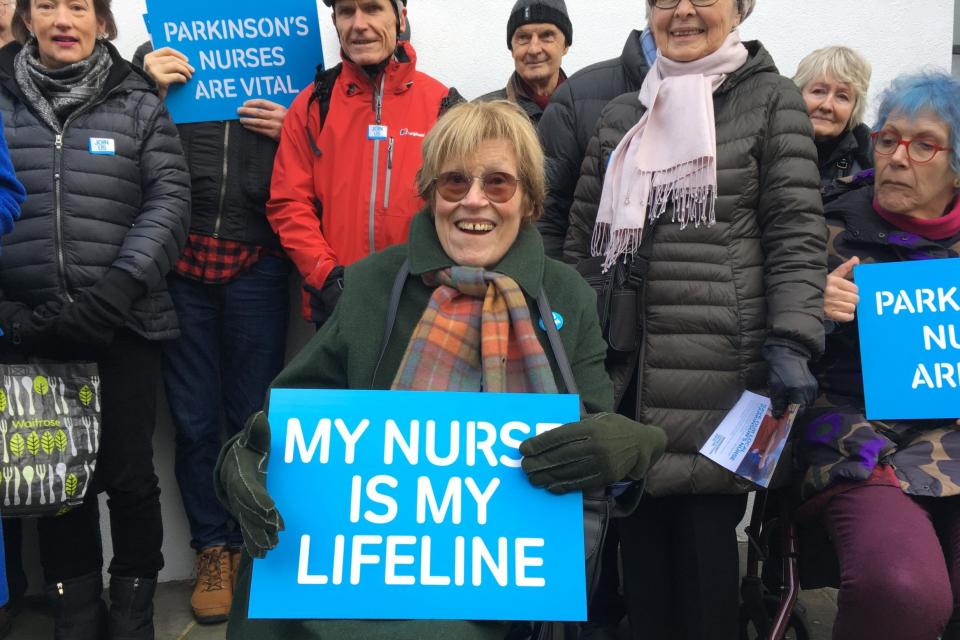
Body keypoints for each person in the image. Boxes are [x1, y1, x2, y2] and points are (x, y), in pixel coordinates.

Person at [215, 100, 668, 639]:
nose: (474, 200)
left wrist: (630, 444)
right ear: (432, 195)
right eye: (454, 182)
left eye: (498, 183)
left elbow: (595, 431)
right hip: (348, 574)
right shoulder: (372, 284)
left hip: (498, 587)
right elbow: (283, 425)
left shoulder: (563, 292)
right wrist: (240, 461)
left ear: (528, 201)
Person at [564, 1, 826, 638]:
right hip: (626, 371)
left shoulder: (770, 100)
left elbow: (795, 231)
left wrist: (793, 336)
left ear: (740, 9)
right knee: (642, 570)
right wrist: (566, 343)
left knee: (708, 571)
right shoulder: (623, 115)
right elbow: (584, 244)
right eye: (662, 0)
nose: (681, 11)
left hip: (719, 373)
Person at [0, 1, 190, 638]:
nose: (62, 18)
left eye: (78, 6)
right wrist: (16, 317)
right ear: (27, 20)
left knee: (131, 476)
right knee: (59, 482)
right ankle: (74, 608)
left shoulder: (138, 101)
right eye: (46, 4)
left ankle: (133, 609)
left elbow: (168, 200)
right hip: (34, 328)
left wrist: (114, 292)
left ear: (103, 24)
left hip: (125, 323)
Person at [131, 40, 293, 625]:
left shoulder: (286, 48)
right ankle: (212, 550)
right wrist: (141, 82)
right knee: (194, 419)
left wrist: (295, 130)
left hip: (261, 257)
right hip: (179, 262)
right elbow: (121, 134)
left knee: (256, 415)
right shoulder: (161, 46)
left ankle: (255, 549)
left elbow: (332, 155)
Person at [797, 71, 960, 640]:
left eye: (922, 145)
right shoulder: (823, 227)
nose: (896, 157)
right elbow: (761, 339)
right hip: (859, 439)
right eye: (887, 139)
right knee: (902, 588)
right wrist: (810, 308)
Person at [267, 0, 460, 325]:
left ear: (400, 18)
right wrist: (327, 276)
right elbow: (289, 203)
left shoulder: (443, 105)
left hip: (420, 303)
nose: (358, 24)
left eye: (372, 8)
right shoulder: (313, 104)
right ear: (335, 21)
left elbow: (462, 205)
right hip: (336, 300)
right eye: (346, 11)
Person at [536, 9, 656, 260]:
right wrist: (569, 295)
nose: (685, 9)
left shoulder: (756, 97)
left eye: (546, 36)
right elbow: (546, 218)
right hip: (602, 293)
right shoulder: (575, 98)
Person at [793, 45, 873, 195]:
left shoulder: (871, 162)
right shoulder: (765, 147)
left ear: (855, 108)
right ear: (797, 94)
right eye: (818, 91)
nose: (827, 105)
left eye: (842, 96)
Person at [476, 0, 572, 124]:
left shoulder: (591, 110)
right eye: (523, 37)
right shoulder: (480, 119)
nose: (534, 49)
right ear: (512, 49)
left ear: (565, 46)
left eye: (547, 35)